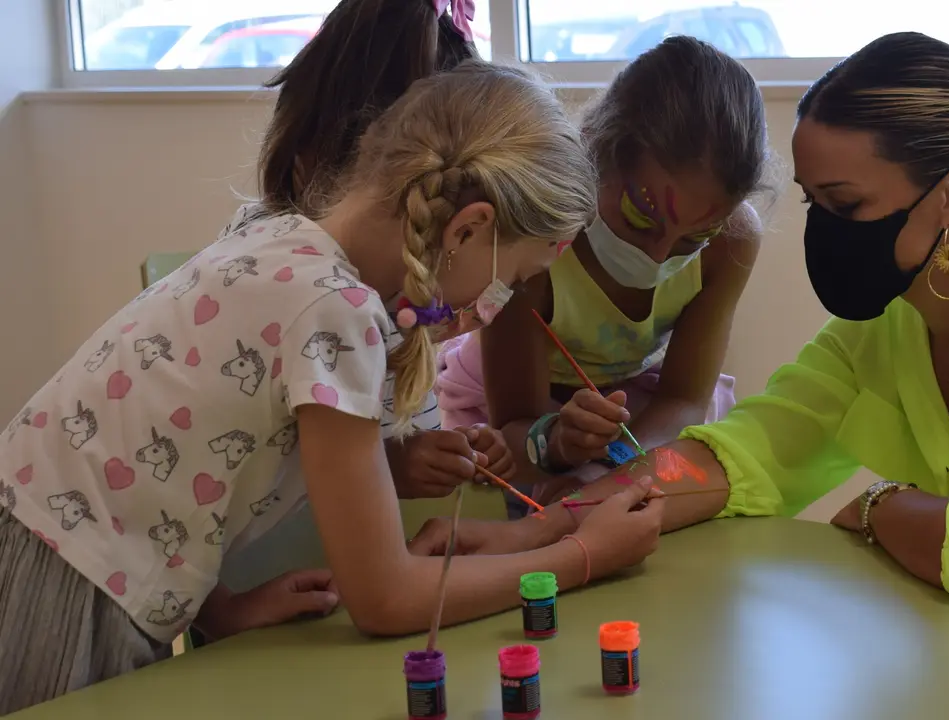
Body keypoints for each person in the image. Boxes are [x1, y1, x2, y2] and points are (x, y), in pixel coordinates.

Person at [420, 32, 949, 609]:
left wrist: (875, 507)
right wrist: (537, 531)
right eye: (811, 201)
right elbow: (736, 456)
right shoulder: (890, 323)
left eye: (846, 203)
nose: (824, 232)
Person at [0, 63, 665, 716]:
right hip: (62, 597)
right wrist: (582, 555)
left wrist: (223, 607)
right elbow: (386, 600)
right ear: (467, 232)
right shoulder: (334, 314)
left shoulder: (277, 237)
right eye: (513, 278)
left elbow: (159, 451)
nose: (500, 302)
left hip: (49, 553)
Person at [434, 36, 771, 516]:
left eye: (694, 236)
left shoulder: (731, 243)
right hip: (513, 417)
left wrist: (617, 467)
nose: (657, 254)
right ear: (594, 154)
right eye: (640, 216)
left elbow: (683, 400)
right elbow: (514, 424)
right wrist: (558, 445)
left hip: (633, 408)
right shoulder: (538, 246)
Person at [229, 0, 504, 501]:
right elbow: (278, 456)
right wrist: (392, 467)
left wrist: (431, 452)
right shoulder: (324, 290)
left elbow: (376, 426)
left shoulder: (393, 284)